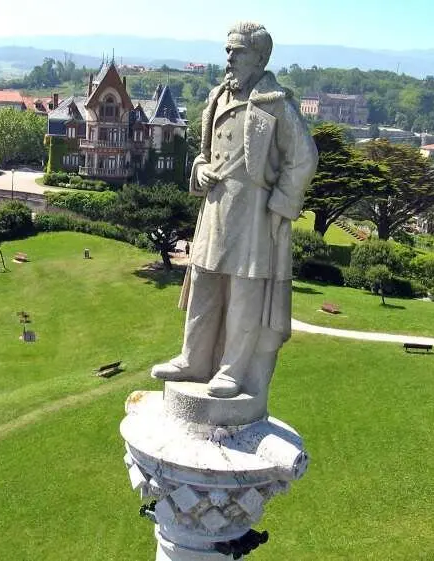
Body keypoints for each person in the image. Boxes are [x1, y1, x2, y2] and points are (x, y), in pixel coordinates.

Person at [151, 21, 318, 411]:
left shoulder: (277, 103)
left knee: (245, 292)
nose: (229, 57)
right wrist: (199, 169)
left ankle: (232, 369)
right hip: (215, 209)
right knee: (204, 284)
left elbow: (304, 159)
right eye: (228, 49)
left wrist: (280, 205)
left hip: (254, 214)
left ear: (260, 58)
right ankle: (193, 358)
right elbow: (204, 153)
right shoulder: (216, 97)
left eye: (239, 50)